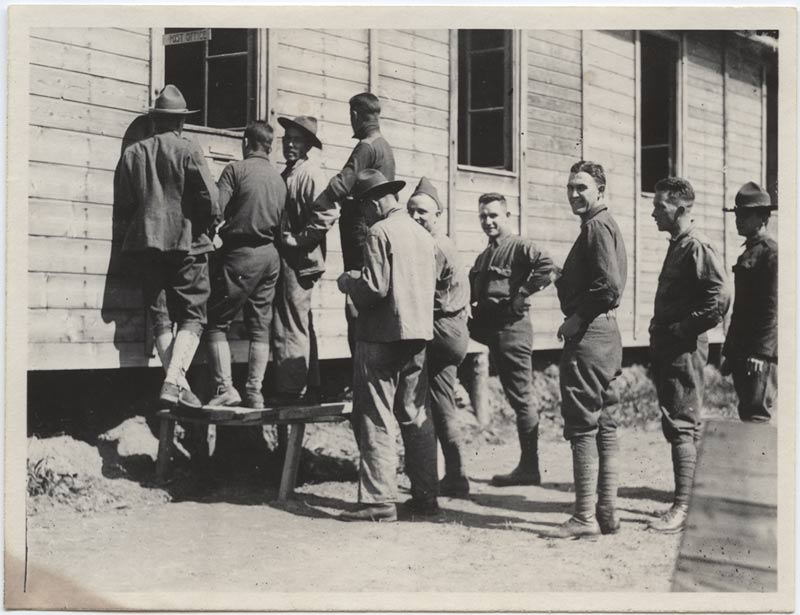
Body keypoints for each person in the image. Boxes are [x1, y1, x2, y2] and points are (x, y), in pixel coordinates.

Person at [336, 170, 438, 522]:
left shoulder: (379, 232)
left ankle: (379, 500)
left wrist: (350, 282)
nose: (362, 216)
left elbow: (375, 288)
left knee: (375, 415)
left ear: (375, 202)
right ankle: (426, 497)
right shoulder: (423, 235)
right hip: (418, 336)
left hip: (380, 336)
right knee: (414, 415)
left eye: (362, 208)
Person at [116, 84, 219, 410]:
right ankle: (174, 381)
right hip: (188, 243)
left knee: (160, 317)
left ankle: (178, 386)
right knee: (193, 315)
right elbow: (211, 200)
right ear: (181, 122)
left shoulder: (133, 153)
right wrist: (208, 224)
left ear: (156, 120)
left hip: (146, 245)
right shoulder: (189, 150)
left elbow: (126, 202)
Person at [547, 161, 627, 539]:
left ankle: (584, 517)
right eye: (570, 187)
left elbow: (608, 286)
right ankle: (606, 512)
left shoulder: (596, 226)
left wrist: (576, 318)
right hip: (607, 334)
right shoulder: (602, 225)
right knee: (604, 424)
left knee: (582, 426)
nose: (574, 194)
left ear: (600, 190)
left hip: (591, 335)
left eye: (582, 187)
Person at [282, 92, 395, 354]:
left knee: (355, 300)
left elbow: (340, 185)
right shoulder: (384, 146)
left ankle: (361, 368)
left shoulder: (366, 146)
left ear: (355, 115)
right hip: (377, 228)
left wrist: (316, 201)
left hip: (360, 231)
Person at [648, 177, 730, 533]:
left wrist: (684, 329)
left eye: (660, 206)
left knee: (681, 423)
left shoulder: (696, 246)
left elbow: (719, 299)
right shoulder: (679, 244)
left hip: (683, 346)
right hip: (672, 346)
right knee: (682, 422)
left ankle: (683, 507)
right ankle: (691, 502)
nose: (653, 212)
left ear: (680, 209)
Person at [468, 193, 557, 487]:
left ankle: (529, 468)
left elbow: (548, 266)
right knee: (514, 395)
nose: (488, 221)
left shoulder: (519, 246)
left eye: (494, 215)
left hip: (513, 328)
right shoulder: (485, 255)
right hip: (490, 329)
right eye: (483, 216)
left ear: (507, 215)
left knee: (521, 397)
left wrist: (522, 293)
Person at [204, 121, 287, 409]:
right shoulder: (279, 180)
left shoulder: (234, 171)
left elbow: (215, 209)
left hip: (241, 255)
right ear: (270, 146)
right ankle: (254, 392)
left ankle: (225, 388)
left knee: (215, 323)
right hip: (270, 257)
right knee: (260, 326)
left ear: (245, 142)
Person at [406, 177, 472, 497]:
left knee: (418, 402)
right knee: (443, 403)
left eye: (423, 212)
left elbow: (420, 292)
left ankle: (426, 477)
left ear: (438, 215)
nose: (416, 217)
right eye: (411, 212)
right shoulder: (445, 243)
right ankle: (456, 475)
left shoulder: (433, 247)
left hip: (441, 329)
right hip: (454, 329)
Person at [270, 116, 328, 403]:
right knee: (299, 319)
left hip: (300, 260)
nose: (290, 144)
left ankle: (292, 390)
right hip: (289, 259)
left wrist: (300, 238)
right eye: (287, 139)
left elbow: (327, 213)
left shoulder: (310, 174)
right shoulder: (289, 173)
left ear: (307, 146)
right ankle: (311, 384)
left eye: (296, 140)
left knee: (290, 322)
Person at [721, 182, 778, 423]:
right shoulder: (749, 252)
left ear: (763, 217)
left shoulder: (771, 254)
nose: (738, 219)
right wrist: (729, 349)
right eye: (737, 213)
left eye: (745, 214)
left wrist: (761, 353)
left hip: (758, 353)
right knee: (747, 413)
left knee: (757, 416)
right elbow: (740, 309)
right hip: (742, 350)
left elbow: (773, 309)